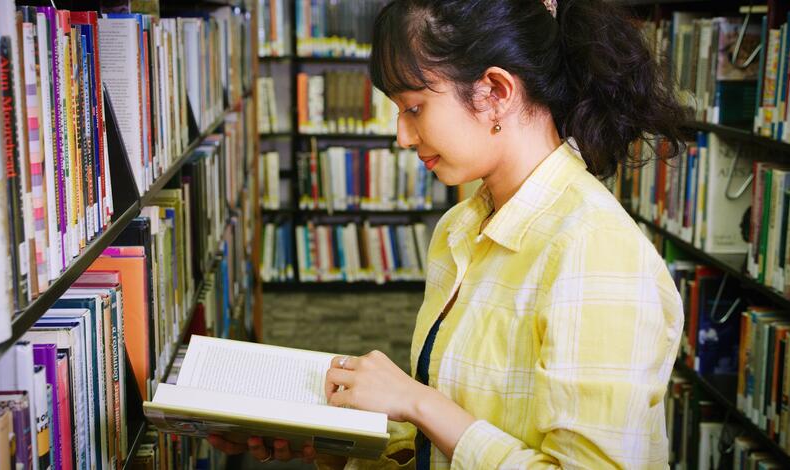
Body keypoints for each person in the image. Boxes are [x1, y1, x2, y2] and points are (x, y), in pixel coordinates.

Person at [210, 0, 686, 468]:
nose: (402, 135)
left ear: (495, 92)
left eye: (414, 107)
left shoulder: (595, 252)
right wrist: (341, 434)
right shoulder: (459, 229)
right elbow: (454, 433)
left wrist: (419, 403)